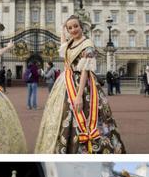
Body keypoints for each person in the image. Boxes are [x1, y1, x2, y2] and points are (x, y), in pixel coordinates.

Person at [34, 15, 126, 154]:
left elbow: (85, 70)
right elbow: (63, 48)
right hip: (66, 82)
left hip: (83, 86)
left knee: (86, 113)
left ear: (81, 26)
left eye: (75, 26)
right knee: (63, 115)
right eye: (70, 28)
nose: (73, 30)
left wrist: (78, 96)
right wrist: (61, 28)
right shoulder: (70, 42)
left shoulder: (87, 44)